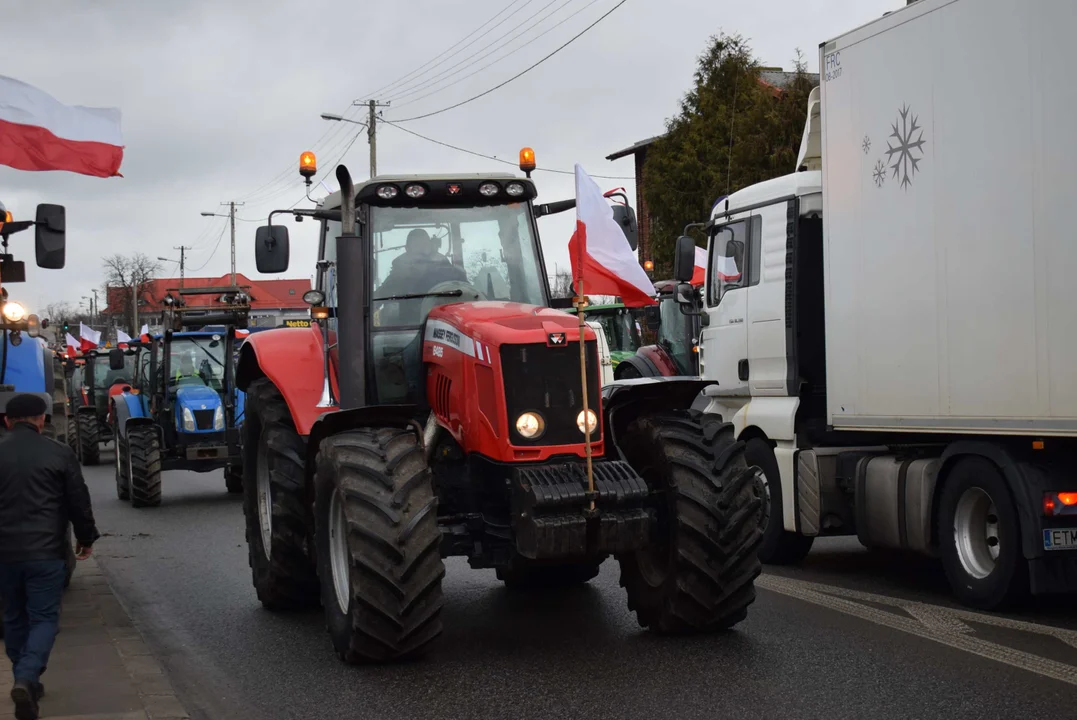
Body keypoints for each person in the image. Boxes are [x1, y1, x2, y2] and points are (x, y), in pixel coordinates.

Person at [0, 393, 99, 720]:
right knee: (43, 618)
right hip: (46, 553)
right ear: (42, 419)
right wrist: (86, 538)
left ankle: (24, 677)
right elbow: (77, 501)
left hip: (4, 555)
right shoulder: (59, 453)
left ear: (7, 421)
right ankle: (27, 677)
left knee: (13, 616)